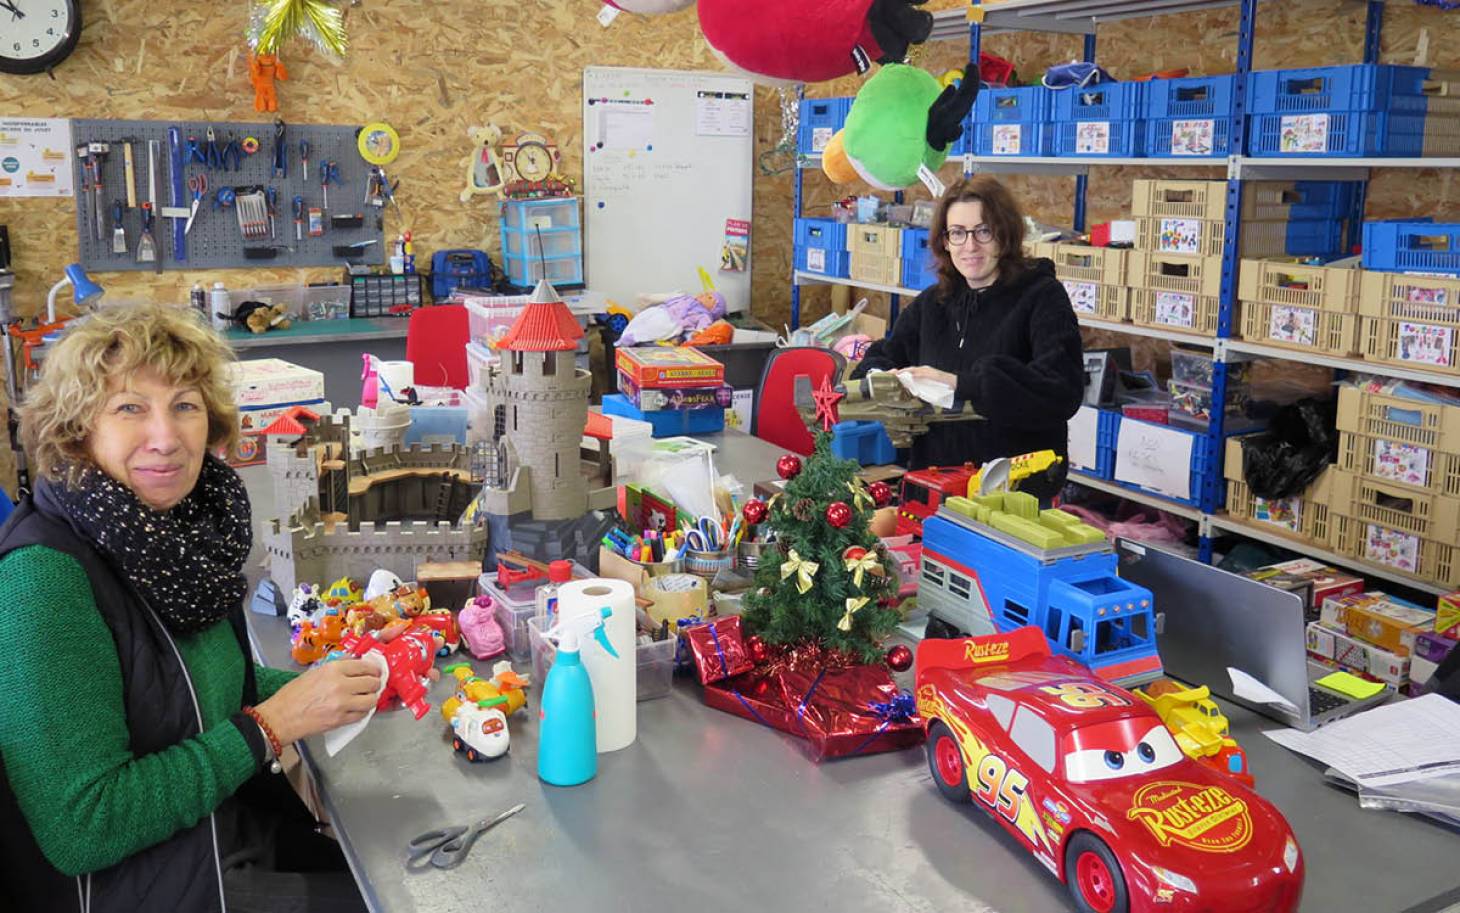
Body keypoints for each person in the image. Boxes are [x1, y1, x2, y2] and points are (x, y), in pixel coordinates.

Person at [0, 303, 382, 913]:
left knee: (393, 863)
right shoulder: (45, 579)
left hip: (224, 836)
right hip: (151, 887)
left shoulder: (183, 537)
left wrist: (345, 685)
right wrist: (271, 725)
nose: (166, 437)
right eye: (130, 408)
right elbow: (82, 827)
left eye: (185, 405)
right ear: (77, 429)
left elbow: (209, 692)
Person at [852, 175, 1084, 503]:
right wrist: (881, 378)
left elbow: (1061, 392)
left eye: (983, 231)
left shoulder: (1042, 297)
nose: (970, 246)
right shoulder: (934, 302)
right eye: (958, 233)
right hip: (935, 486)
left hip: (1013, 495)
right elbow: (884, 354)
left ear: (1005, 234)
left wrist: (960, 384)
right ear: (944, 241)